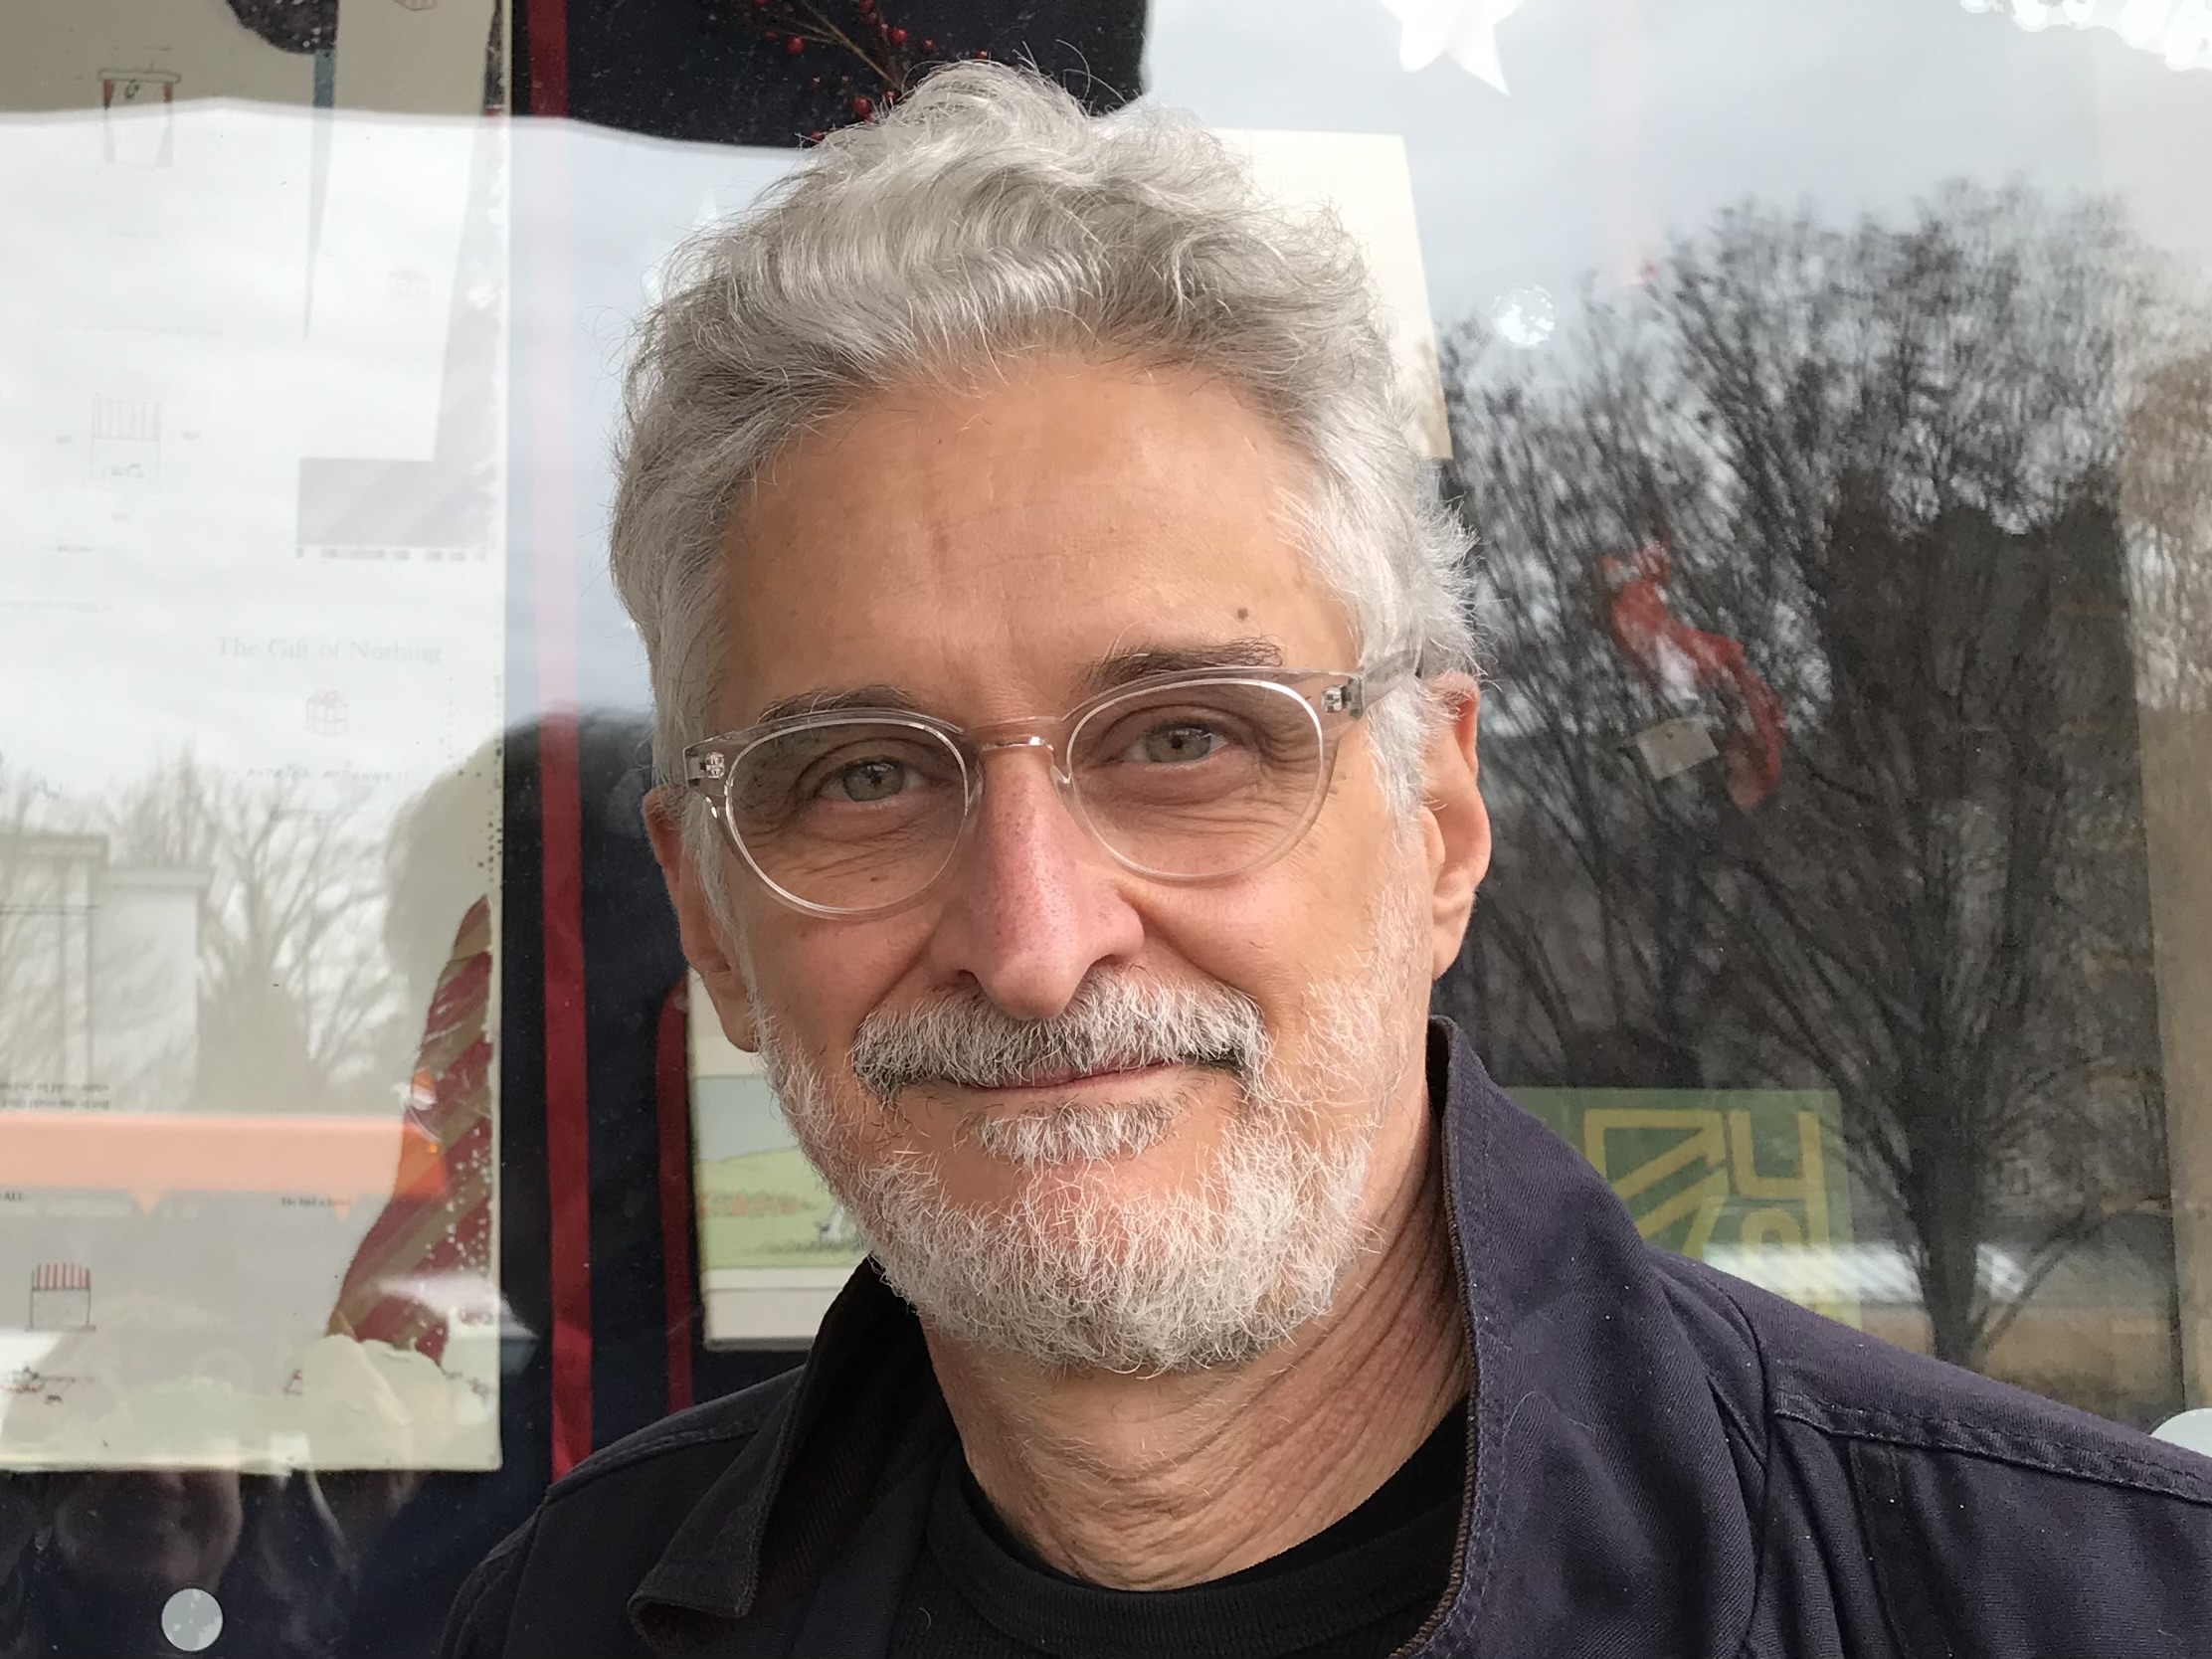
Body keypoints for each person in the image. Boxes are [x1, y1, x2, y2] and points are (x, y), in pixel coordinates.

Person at [443, 63, 2212, 1659]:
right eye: (866, 776)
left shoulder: (2080, 1602)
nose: (1039, 942)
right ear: (716, 924)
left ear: (1437, 821)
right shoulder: (563, 1619)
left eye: (1184, 739)